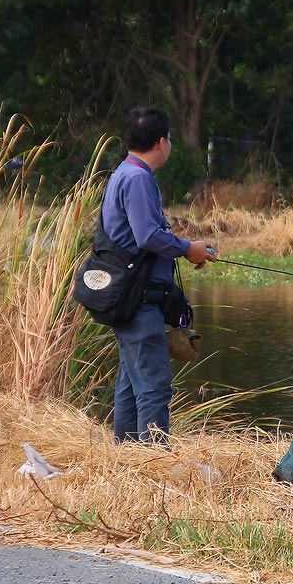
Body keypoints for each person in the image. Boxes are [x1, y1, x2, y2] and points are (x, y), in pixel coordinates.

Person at [102, 106, 216, 444]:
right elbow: (147, 236)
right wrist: (187, 247)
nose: (170, 144)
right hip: (139, 303)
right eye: (169, 138)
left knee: (130, 383)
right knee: (153, 384)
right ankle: (152, 466)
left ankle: (128, 461)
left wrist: (186, 249)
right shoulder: (137, 178)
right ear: (160, 143)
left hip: (131, 299)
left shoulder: (125, 172)